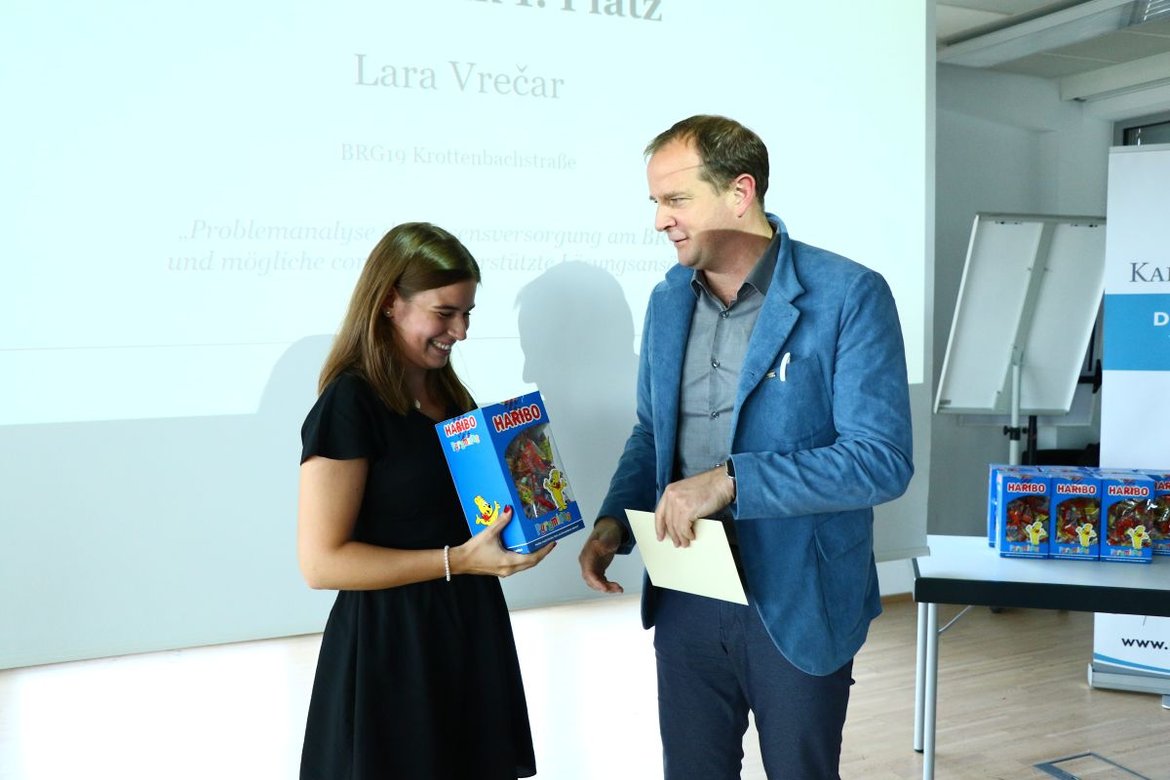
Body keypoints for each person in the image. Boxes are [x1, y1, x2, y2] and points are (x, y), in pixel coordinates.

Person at [578, 115, 914, 779]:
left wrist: (731, 480)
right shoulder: (668, 300)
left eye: (676, 200)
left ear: (740, 193)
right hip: (686, 586)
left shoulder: (849, 294)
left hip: (798, 595)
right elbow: (652, 433)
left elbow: (881, 460)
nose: (660, 221)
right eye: (655, 202)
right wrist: (614, 522)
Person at [297, 222, 554, 780]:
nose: (460, 331)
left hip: (468, 630)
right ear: (390, 302)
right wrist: (457, 560)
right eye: (445, 313)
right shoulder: (350, 403)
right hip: (393, 649)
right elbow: (321, 563)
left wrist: (525, 526)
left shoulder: (450, 396)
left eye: (467, 313)